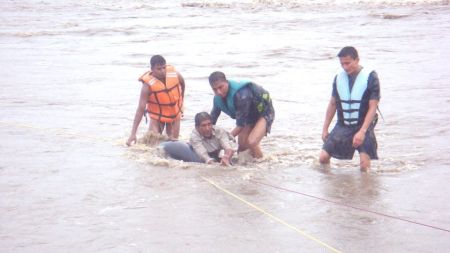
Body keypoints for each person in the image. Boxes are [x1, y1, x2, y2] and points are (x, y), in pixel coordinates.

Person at [319, 46, 381, 171]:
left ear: (357, 60)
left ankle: (365, 188)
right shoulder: (338, 78)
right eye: (342, 64)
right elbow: (332, 104)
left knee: (364, 166)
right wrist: (325, 128)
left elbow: (373, 107)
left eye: (348, 63)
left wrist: (362, 131)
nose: (345, 67)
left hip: (364, 124)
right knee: (323, 158)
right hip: (344, 124)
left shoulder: (371, 77)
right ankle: (329, 181)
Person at [208, 71, 274, 158]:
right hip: (248, 117)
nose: (219, 92)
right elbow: (211, 121)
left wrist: (224, 140)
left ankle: (262, 164)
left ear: (226, 82)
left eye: (221, 87)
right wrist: (200, 138)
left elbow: (240, 125)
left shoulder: (242, 94)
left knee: (251, 142)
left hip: (264, 112)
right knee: (242, 148)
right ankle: (246, 168)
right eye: (215, 89)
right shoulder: (217, 99)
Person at [126, 55, 185, 146]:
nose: (162, 71)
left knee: (174, 143)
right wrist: (133, 133)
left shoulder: (175, 75)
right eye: (159, 69)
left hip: (174, 115)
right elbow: (141, 108)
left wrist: (181, 103)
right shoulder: (147, 86)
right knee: (152, 144)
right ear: (152, 69)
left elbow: (182, 84)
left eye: (164, 68)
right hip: (157, 117)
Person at [161, 112, 235, 166]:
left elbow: (228, 148)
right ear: (197, 127)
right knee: (200, 163)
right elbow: (204, 155)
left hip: (214, 152)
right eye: (203, 125)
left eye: (209, 124)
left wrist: (227, 157)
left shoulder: (219, 131)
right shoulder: (194, 136)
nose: (207, 128)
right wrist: (215, 165)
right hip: (197, 152)